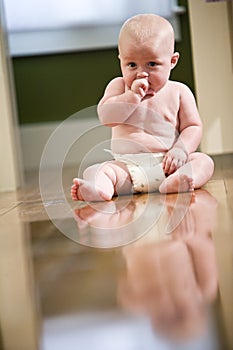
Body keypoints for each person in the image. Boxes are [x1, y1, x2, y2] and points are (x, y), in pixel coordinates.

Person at [71, 13, 214, 202]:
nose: (141, 73)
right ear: (120, 60)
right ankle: (100, 189)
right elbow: (107, 118)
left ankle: (178, 182)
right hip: (128, 170)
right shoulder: (119, 86)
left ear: (172, 61)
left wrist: (181, 149)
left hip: (169, 165)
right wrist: (131, 97)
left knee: (203, 161)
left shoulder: (179, 91)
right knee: (97, 170)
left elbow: (193, 126)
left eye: (152, 64)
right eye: (131, 64)